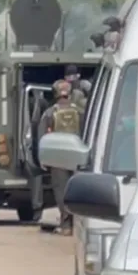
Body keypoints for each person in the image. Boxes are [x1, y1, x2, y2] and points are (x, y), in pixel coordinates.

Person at [38, 81, 83, 235]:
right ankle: (80, 225)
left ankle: (66, 225)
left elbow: (42, 136)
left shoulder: (50, 113)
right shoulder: (80, 111)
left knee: (61, 191)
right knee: (78, 190)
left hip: (57, 157)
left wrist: (43, 158)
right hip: (77, 155)